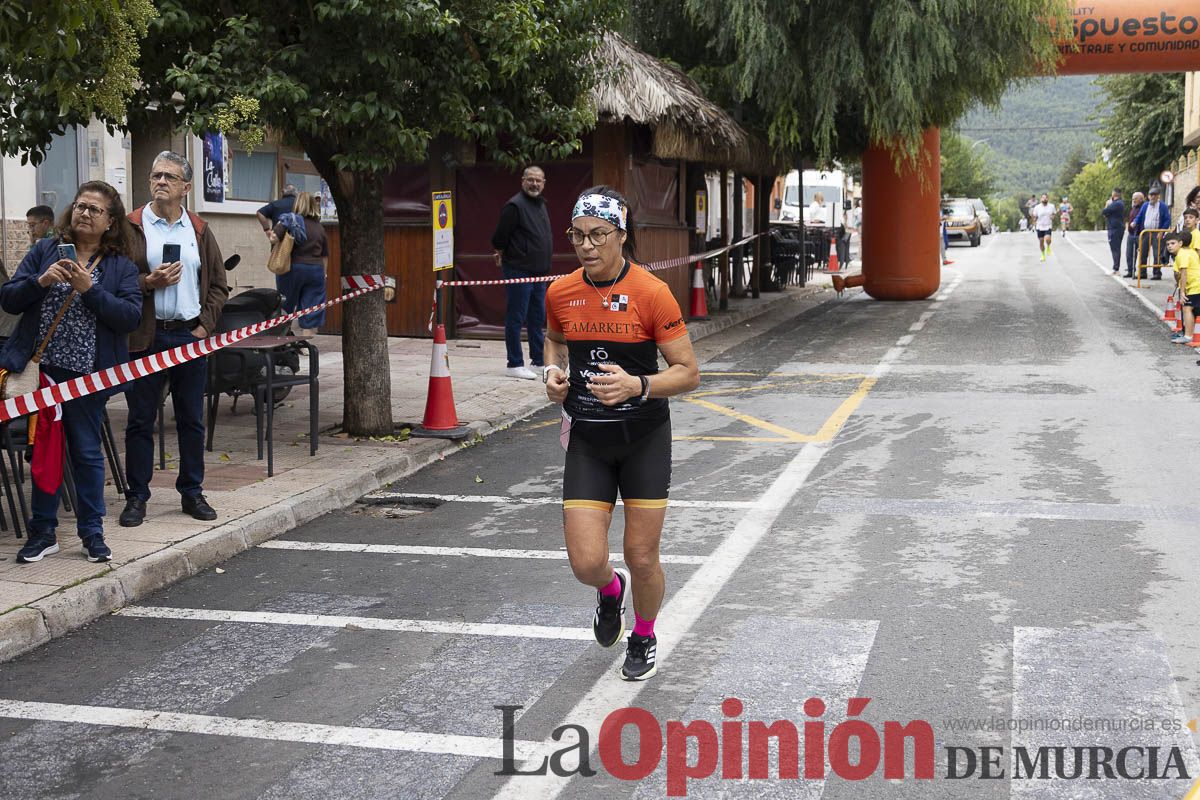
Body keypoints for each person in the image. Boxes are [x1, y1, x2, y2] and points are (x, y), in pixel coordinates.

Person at [543, 186, 700, 681]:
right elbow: (554, 342)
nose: (586, 246)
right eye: (577, 235)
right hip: (588, 439)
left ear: (621, 234)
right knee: (585, 562)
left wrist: (639, 385)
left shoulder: (651, 292)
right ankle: (611, 591)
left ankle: (644, 635)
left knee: (641, 555)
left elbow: (689, 373)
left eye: (598, 235)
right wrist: (552, 373)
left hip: (643, 439)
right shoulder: (560, 292)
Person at [2, 182, 142, 563]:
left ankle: (92, 533)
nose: (85, 213)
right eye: (81, 206)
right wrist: (41, 281)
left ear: (110, 221)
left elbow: (130, 316)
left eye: (95, 209)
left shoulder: (120, 266)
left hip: (88, 377)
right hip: (43, 372)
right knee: (44, 451)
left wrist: (89, 290)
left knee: (86, 452)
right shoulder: (45, 251)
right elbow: (9, 297)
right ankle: (43, 533)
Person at [120, 151, 230, 528]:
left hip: (188, 334)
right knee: (140, 420)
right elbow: (116, 282)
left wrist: (204, 327)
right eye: (156, 175)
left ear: (186, 187)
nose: (161, 182)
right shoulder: (132, 226)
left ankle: (192, 492)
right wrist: (147, 282)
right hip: (146, 337)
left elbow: (218, 285)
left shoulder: (197, 229)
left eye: (169, 176)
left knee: (190, 419)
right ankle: (137, 496)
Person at [491, 166, 552, 380]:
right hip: (518, 269)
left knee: (537, 317)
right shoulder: (514, 206)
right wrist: (501, 252)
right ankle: (514, 363)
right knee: (516, 316)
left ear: (544, 183)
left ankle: (538, 361)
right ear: (523, 181)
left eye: (538, 180)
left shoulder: (541, 204)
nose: (534, 184)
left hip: (539, 272)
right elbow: (499, 238)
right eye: (530, 180)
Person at [268, 192, 328, 335]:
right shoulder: (319, 227)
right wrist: (324, 274)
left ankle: (283, 338)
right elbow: (325, 255)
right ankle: (306, 342)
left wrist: (273, 230)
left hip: (292, 268)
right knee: (311, 309)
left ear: (297, 204)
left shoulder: (290, 220)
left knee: (285, 305)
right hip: (316, 270)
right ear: (313, 206)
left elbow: (273, 239)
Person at [1168, 231, 1200, 346]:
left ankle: (1188, 336)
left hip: (1194, 285)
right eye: (1168, 244)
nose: (1170, 246)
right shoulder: (1191, 252)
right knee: (1193, 309)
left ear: (1180, 243)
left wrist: (1182, 292)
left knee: (1187, 308)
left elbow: (1183, 273)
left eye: (1173, 243)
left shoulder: (1182, 255)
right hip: (1195, 285)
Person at [1131, 187, 1170, 280]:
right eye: (1151, 195)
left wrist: (1162, 231)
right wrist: (1135, 222)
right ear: (1148, 196)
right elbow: (1140, 216)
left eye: (1154, 195)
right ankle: (1142, 272)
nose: (1152, 197)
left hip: (1156, 232)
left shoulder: (1163, 206)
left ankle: (1157, 273)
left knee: (1157, 253)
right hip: (1146, 232)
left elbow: (1167, 220)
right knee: (1143, 252)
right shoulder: (1145, 205)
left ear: (1158, 196)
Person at [1101, 189, 1126, 273]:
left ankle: (1116, 268)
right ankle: (1115, 267)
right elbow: (1106, 214)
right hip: (1114, 227)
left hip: (1115, 228)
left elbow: (1104, 211)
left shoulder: (1117, 203)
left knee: (1115, 248)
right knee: (1114, 248)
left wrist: (1107, 204)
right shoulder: (1118, 203)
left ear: (1114, 194)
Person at [1125, 191, 1145, 278]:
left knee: (1142, 254)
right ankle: (1130, 270)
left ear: (1141, 199)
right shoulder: (1133, 207)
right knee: (1129, 253)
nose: (1134, 200)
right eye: (1133, 198)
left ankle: (1142, 272)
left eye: (1136, 198)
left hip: (1140, 233)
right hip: (1131, 233)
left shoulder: (1144, 207)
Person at [1031, 193, 1057, 261]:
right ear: (1041, 199)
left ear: (1048, 199)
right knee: (1041, 242)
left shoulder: (1051, 206)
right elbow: (1034, 216)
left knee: (1048, 239)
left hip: (1048, 226)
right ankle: (1043, 255)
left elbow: (1054, 213)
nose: (1044, 199)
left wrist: (1052, 217)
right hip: (1039, 227)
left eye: (1046, 198)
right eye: (1043, 198)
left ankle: (1048, 247)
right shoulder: (1037, 207)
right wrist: (1034, 221)